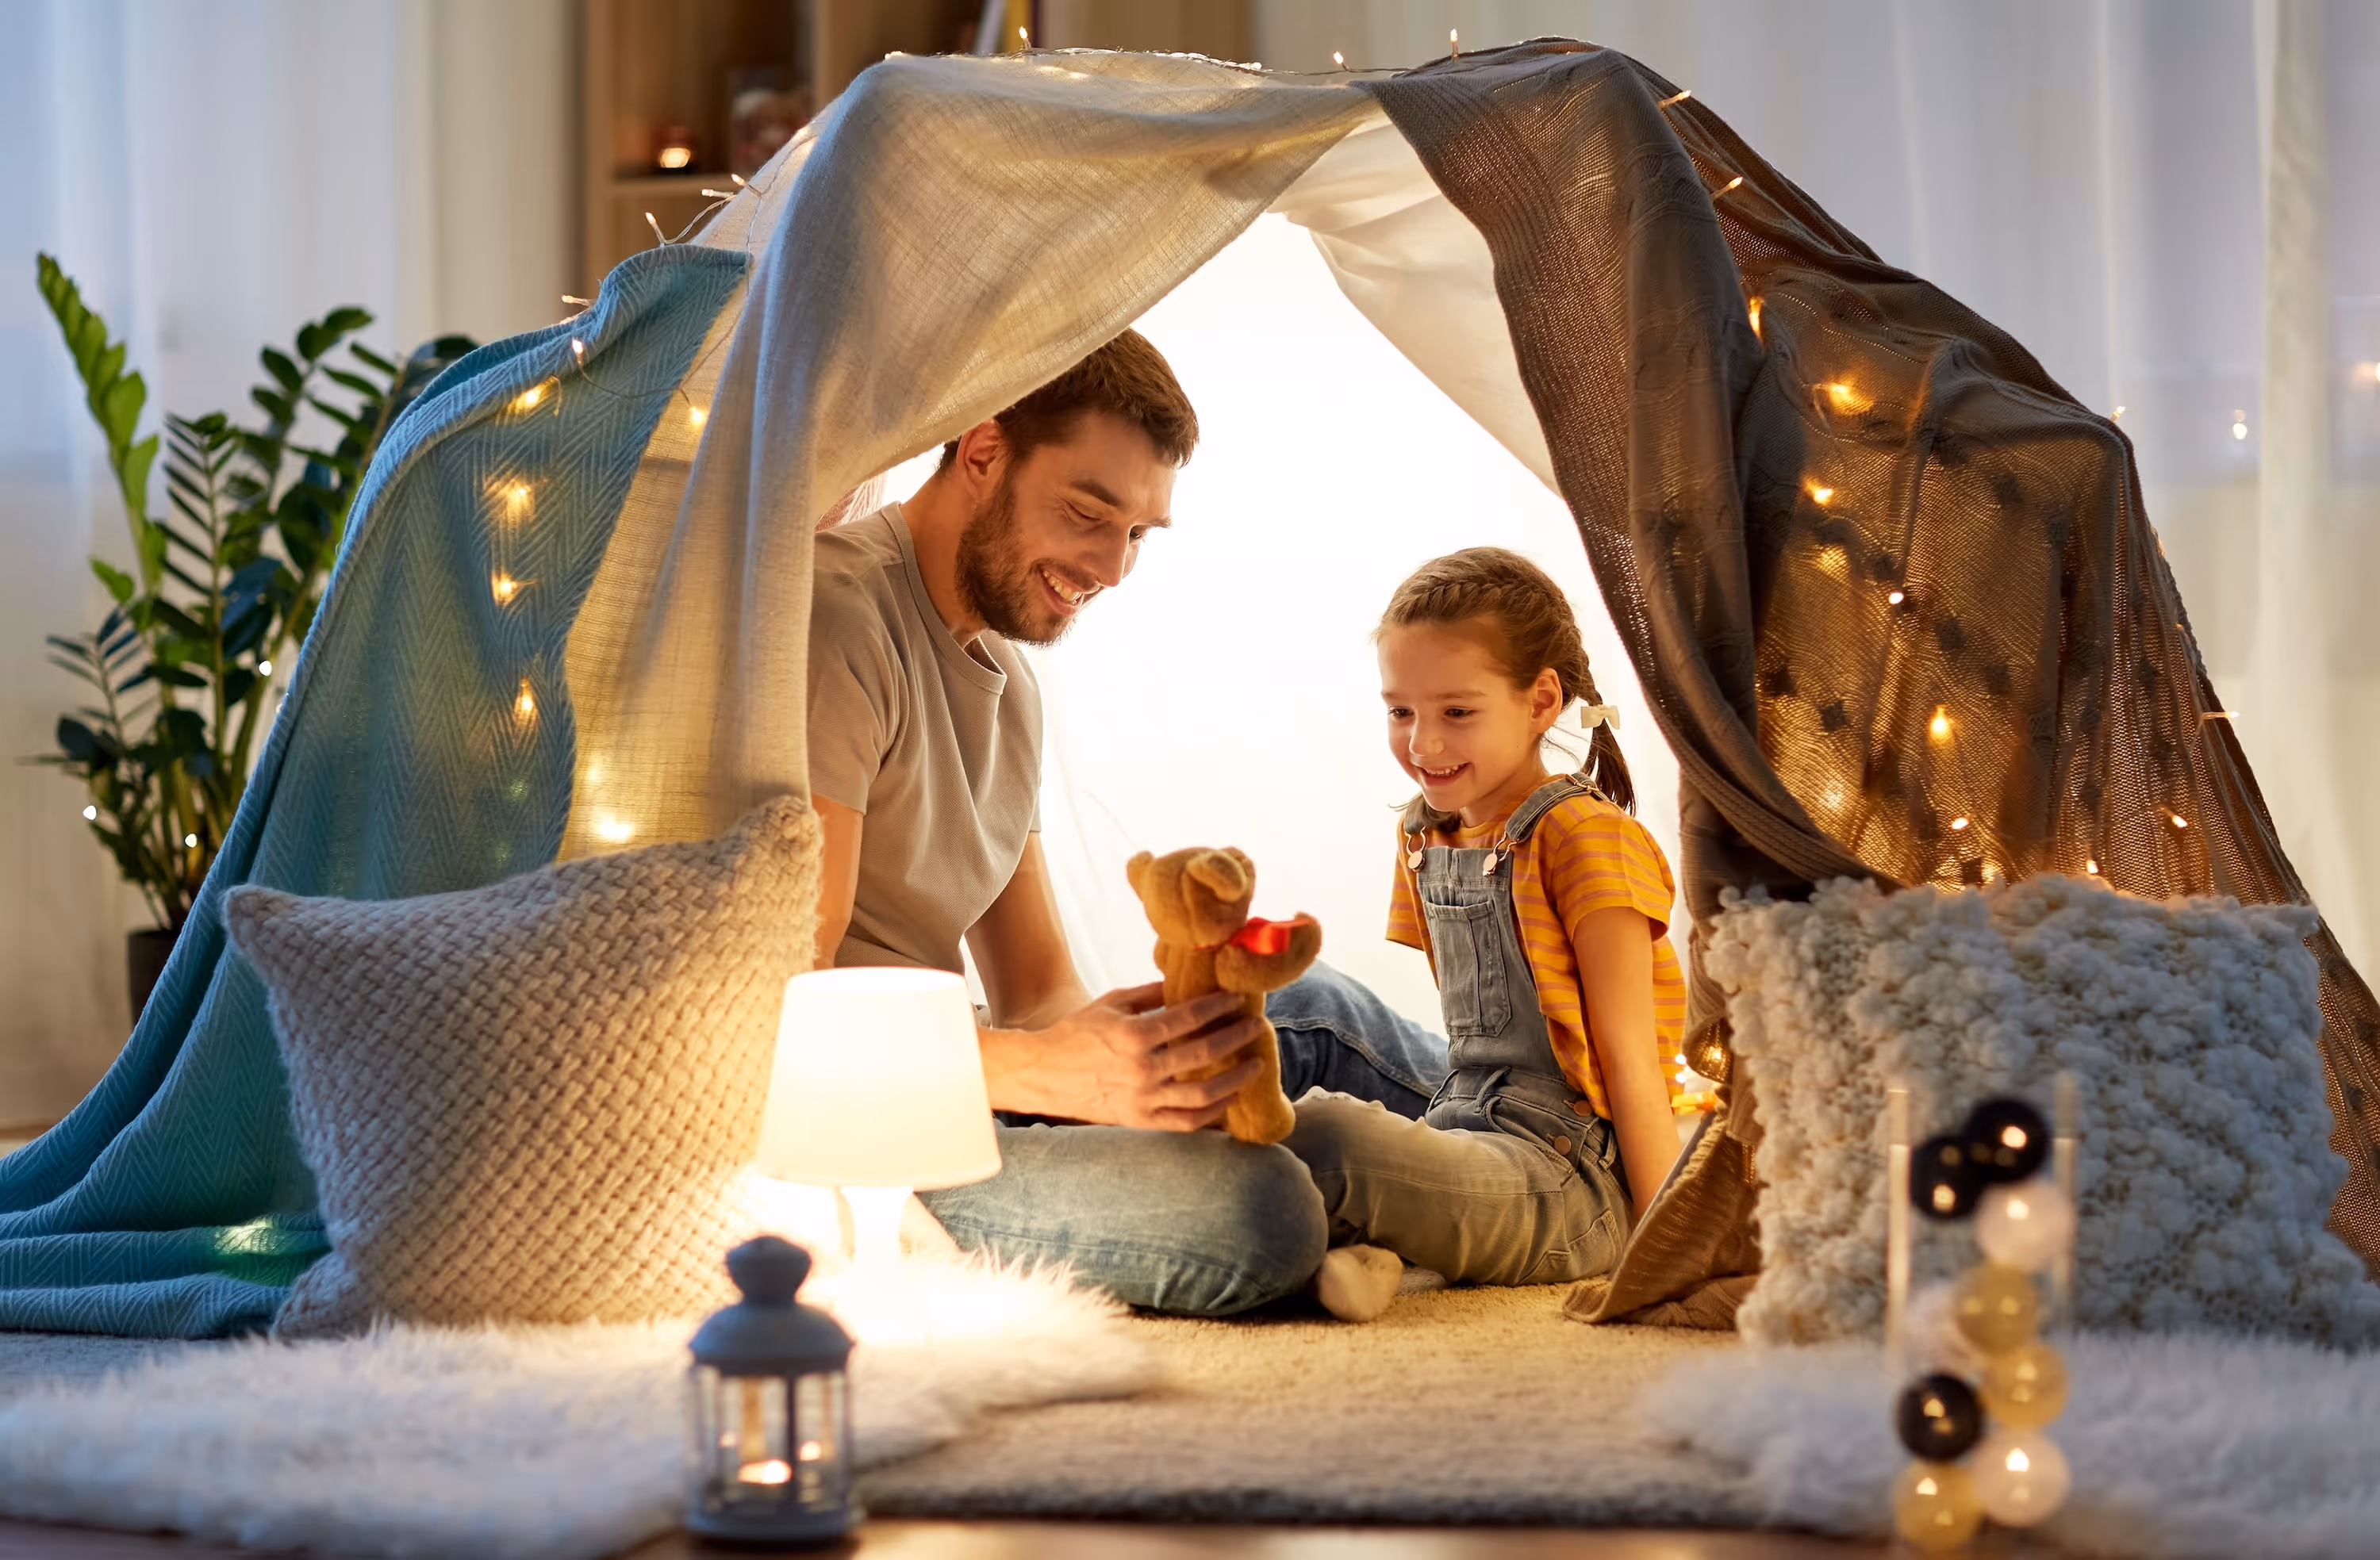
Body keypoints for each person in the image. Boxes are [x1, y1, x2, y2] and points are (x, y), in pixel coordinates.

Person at [804, 329, 1449, 1316]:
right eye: (1087, 513)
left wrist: (1133, 1048)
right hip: (873, 1129)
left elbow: (1034, 983)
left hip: (979, 1075)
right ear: (982, 452)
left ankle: (1564, 1148)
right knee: (1262, 1211)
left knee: (1306, 1008)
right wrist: (1050, 1072)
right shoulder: (838, 618)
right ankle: (1457, 1193)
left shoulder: (1010, 681)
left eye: (1140, 533)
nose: (1112, 568)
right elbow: (781, 1013)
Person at [1285, 547, 1688, 1323]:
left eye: (1457, 712)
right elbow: (1474, 1048)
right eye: (1401, 711)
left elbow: (1631, 1065)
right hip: (1465, 1116)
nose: (1423, 745)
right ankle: (1398, 1256)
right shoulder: (1424, 833)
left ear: (1541, 700)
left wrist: (1668, 1249)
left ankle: (1387, 1238)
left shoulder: (1585, 839)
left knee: (1328, 1134)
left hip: (1573, 1178)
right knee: (1295, 1025)